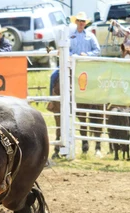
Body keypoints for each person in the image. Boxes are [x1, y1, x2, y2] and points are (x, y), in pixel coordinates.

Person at [49, 11, 101, 156]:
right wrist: (68, 55)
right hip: (70, 65)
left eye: (83, 21)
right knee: (53, 75)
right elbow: (66, 49)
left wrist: (87, 55)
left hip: (85, 67)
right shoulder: (70, 35)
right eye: (79, 21)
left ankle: (97, 100)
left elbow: (97, 51)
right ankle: (52, 101)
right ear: (76, 22)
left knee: (95, 80)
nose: (81, 23)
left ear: (85, 23)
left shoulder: (90, 36)